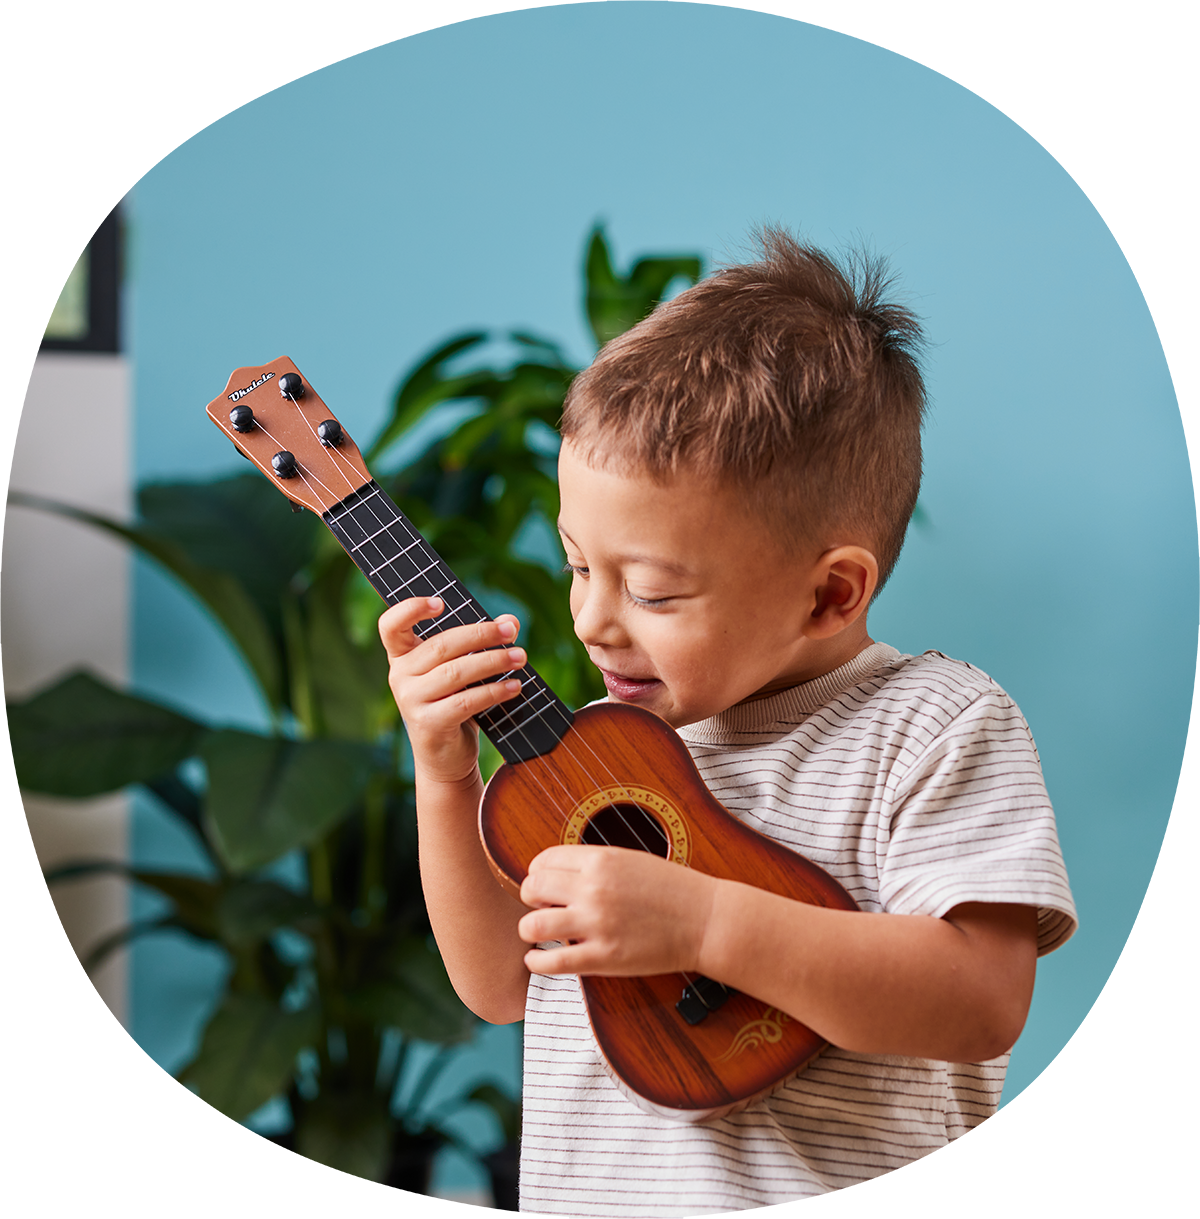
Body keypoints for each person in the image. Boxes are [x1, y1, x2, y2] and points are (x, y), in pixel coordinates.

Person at [379, 230, 1076, 1218]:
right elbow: (502, 984)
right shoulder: (598, 754)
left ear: (831, 594)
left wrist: (703, 922)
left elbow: (979, 999)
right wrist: (445, 775)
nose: (591, 619)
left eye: (654, 591)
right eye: (579, 564)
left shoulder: (934, 725)